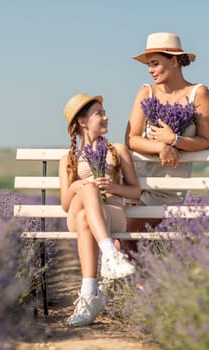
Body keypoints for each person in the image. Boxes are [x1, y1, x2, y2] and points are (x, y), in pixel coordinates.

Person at [124, 32, 209, 235]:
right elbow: (131, 139)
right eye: (149, 65)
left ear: (175, 61)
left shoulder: (200, 93)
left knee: (126, 239)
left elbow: (205, 141)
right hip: (136, 181)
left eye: (155, 63)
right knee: (125, 241)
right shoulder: (146, 92)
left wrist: (174, 140)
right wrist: (161, 146)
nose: (150, 70)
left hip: (167, 188)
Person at [59, 93, 141, 326]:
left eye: (104, 113)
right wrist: (80, 185)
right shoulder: (68, 158)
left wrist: (114, 186)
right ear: (83, 122)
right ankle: (111, 255)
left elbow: (135, 191)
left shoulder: (118, 150)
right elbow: (65, 203)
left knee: (87, 216)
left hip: (111, 214)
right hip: (75, 212)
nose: (106, 117)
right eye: (99, 114)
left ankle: (88, 295)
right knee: (87, 192)